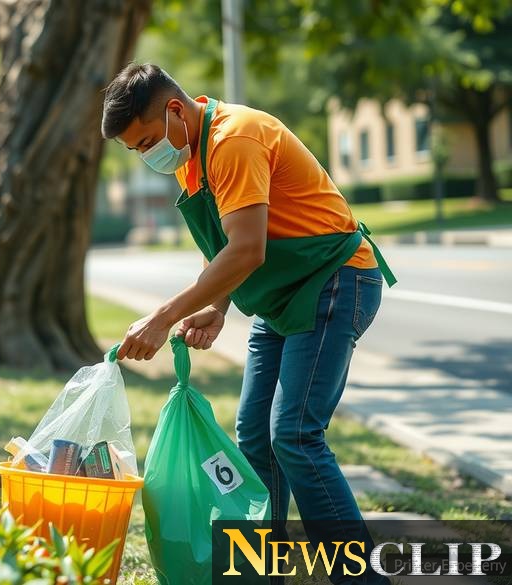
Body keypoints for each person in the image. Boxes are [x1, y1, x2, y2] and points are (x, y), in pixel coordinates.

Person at [101, 63, 396, 583]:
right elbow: (233, 245)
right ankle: (261, 573)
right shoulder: (189, 159)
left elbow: (247, 249)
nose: (147, 155)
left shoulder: (233, 139)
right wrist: (216, 306)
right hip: (282, 297)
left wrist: (163, 316)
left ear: (175, 110)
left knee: (295, 436)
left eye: (146, 141)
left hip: (334, 282)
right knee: (255, 437)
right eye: (135, 149)